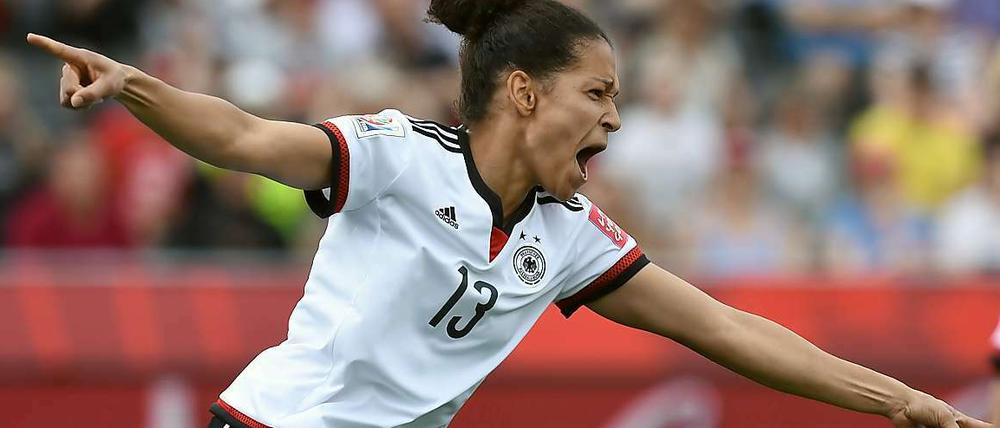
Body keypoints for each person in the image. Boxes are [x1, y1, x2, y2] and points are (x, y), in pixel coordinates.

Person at [26, 1, 990, 427]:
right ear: (524, 92)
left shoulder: (567, 237)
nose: (615, 118)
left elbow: (730, 330)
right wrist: (132, 85)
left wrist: (900, 400)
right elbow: (243, 136)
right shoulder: (398, 156)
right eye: (597, 94)